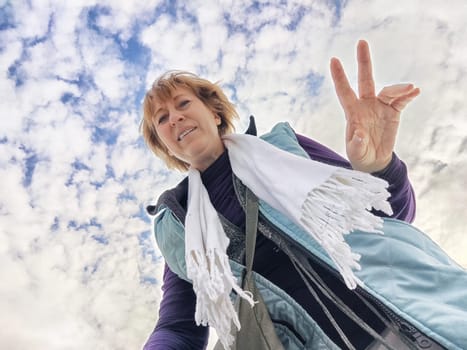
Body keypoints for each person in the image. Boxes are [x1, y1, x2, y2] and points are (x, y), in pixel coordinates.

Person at [140, 40, 436, 350]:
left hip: (406, 330)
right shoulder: (179, 224)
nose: (174, 117)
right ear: (164, 145)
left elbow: (392, 218)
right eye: (161, 118)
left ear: (214, 113)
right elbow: (179, 328)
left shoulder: (285, 147)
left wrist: (380, 168)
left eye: (183, 104)